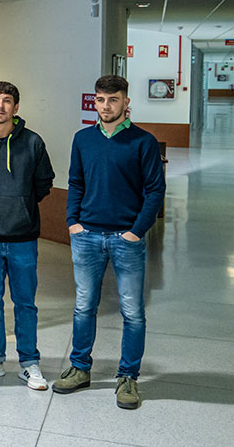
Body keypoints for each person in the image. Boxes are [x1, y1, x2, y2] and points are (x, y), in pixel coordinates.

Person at [54, 75, 165, 410]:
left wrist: (136, 231)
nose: (105, 106)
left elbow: (155, 190)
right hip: (87, 235)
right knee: (84, 306)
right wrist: (72, 222)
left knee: (132, 311)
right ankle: (80, 368)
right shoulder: (83, 139)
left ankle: (128, 376)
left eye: (113, 100)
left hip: (126, 238)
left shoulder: (143, 142)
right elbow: (75, 181)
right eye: (100, 100)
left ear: (126, 102)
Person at [0, 81, 55, 391]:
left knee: (25, 303)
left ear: (16, 108)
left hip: (23, 238)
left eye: (7, 101)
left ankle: (29, 362)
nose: (1, 106)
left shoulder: (32, 142)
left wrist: (22, 206)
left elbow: (44, 183)